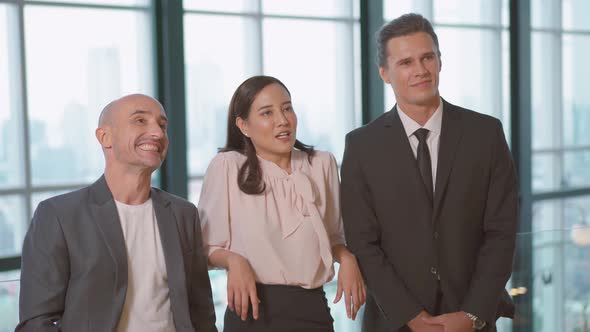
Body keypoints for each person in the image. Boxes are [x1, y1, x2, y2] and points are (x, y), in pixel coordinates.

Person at [341, 13, 518, 332]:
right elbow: (363, 242)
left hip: (472, 319)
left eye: (427, 58)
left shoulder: (486, 134)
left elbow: (501, 233)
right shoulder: (361, 146)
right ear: (384, 73)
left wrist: (472, 315)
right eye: (406, 62)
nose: (420, 70)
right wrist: (410, 316)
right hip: (394, 322)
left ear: (439, 61)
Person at [17, 94, 217, 332]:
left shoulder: (184, 214)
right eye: (140, 121)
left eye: (162, 125)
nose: (157, 133)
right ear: (105, 137)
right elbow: (36, 322)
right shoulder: (59, 215)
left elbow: (201, 313)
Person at [198, 75, 366, 332]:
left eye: (287, 108)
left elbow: (332, 237)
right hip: (251, 313)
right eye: (267, 113)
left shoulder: (322, 164)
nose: (282, 120)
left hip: (313, 311)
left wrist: (347, 258)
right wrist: (234, 260)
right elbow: (205, 247)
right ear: (243, 125)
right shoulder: (228, 167)